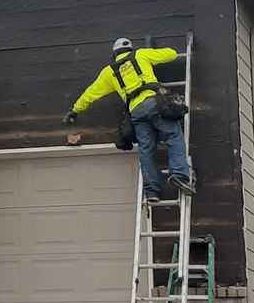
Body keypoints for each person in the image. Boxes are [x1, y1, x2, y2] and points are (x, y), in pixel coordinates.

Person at [66, 38, 194, 200]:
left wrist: (75, 110)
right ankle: (179, 174)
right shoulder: (141, 54)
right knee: (173, 136)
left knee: (146, 150)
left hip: (136, 113)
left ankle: (152, 191)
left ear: (115, 54)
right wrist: (162, 54)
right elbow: (171, 54)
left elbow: (90, 93)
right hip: (154, 104)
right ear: (130, 49)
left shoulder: (109, 72)